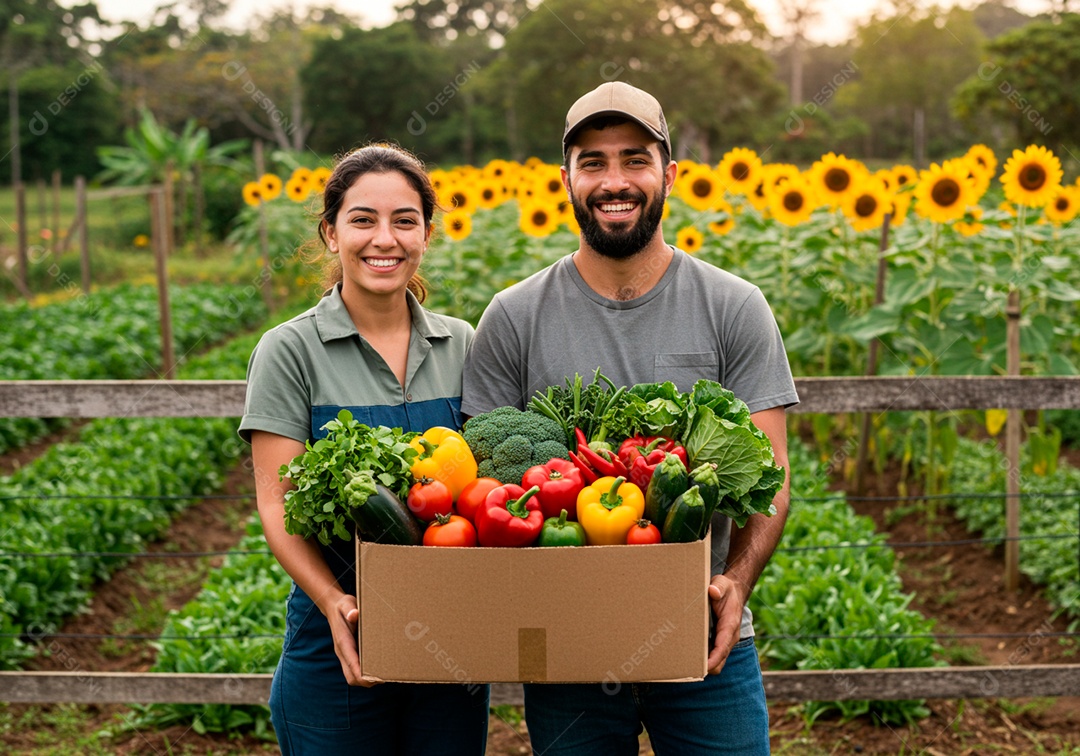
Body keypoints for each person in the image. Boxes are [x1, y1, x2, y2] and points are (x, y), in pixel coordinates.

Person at [461, 81, 799, 754]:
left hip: (701, 632)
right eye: (593, 162)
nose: (615, 180)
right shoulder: (513, 316)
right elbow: (484, 490)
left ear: (670, 174)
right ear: (566, 180)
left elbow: (771, 473)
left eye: (635, 159)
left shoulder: (735, 306)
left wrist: (736, 583)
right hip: (566, 644)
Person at [239, 143, 489, 754]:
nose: (386, 239)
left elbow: (490, 487)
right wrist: (333, 604)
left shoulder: (463, 343)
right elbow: (278, 503)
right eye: (362, 219)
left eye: (405, 220)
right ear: (330, 233)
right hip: (333, 633)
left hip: (449, 633)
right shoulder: (288, 350)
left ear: (427, 233)